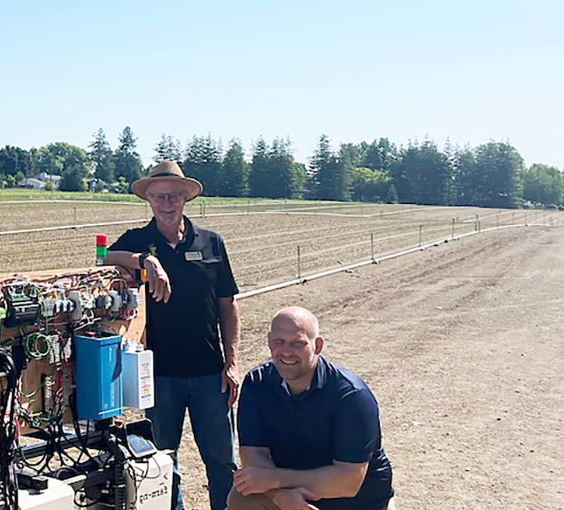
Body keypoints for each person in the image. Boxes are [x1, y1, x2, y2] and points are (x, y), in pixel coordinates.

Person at [105, 160, 242, 510]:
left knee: (222, 462)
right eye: (159, 196)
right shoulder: (140, 240)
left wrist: (232, 363)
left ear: (185, 199)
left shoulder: (212, 243)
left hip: (211, 374)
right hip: (160, 374)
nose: (167, 203)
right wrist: (145, 261)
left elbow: (228, 306)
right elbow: (105, 258)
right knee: (164, 460)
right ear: (148, 199)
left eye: (174, 197)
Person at [230, 307, 394, 510]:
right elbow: (254, 456)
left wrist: (275, 479)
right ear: (269, 341)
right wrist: (279, 496)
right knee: (240, 497)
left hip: (353, 500)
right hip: (289, 489)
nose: (287, 351)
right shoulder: (257, 383)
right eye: (279, 342)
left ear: (318, 345)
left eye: (298, 343)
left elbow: (348, 482)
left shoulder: (351, 396)